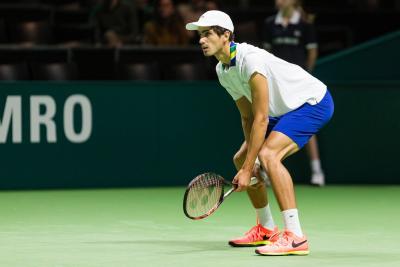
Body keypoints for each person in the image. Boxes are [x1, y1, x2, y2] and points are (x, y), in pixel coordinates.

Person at [186, 10, 334, 255]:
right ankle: (266, 229)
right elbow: (248, 116)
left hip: (311, 102)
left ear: (226, 36)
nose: (201, 40)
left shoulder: (250, 60)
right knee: (241, 159)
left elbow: (262, 118)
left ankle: (296, 236)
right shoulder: (223, 71)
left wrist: (248, 169)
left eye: (208, 34)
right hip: (282, 109)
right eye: (200, 35)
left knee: (268, 156)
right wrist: (245, 165)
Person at [263, 0, 325, 186]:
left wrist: (305, 75)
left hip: (299, 85)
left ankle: (317, 172)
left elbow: (312, 52)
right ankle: (264, 173)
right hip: (275, 83)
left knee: (305, 128)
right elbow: (266, 53)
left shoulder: (305, 25)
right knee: (267, 123)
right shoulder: (270, 24)